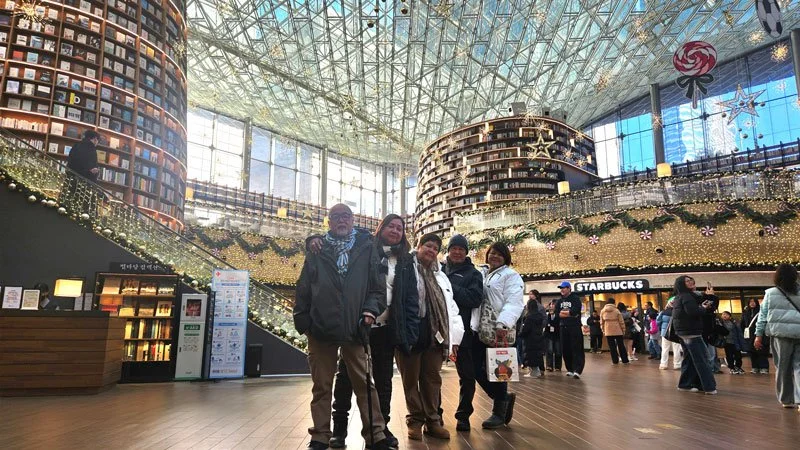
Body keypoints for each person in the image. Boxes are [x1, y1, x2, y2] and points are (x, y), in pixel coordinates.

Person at [294, 204, 390, 450]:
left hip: (355, 327)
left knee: (365, 383)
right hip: (320, 329)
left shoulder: (367, 247)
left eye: (345, 216)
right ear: (328, 222)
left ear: (353, 220)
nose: (341, 221)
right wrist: (303, 321)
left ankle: (376, 434)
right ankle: (320, 436)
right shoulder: (317, 249)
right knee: (322, 385)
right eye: (335, 217)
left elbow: (377, 288)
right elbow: (304, 286)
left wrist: (370, 311)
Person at [323, 214, 416, 449]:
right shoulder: (363, 247)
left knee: (383, 382)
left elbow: (409, 297)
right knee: (345, 379)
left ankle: (380, 429)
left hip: (386, 328)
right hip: (358, 326)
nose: (395, 231)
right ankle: (339, 429)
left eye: (400, 228)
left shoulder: (404, 260)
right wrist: (314, 238)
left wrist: (408, 330)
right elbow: (336, 238)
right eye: (391, 226)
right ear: (380, 228)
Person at [395, 233, 464, 441]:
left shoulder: (440, 275)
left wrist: (454, 338)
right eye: (428, 246)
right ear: (418, 246)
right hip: (409, 331)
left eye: (435, 248)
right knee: (410, 378)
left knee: (432, 378)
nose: (431, 250)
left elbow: (450, 308)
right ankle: (415, 420)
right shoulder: (405, 266)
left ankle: (433, 421)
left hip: (435, 334)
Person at [469, 242, 524, 429]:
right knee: (475, 368)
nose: (494, 256)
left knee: (500, 370)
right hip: (480, 328)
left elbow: (514, 302)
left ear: (506, 257)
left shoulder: (511, 275)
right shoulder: (484, 274)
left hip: (499, 329)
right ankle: (503, 398)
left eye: (499, 254)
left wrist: (504, 323)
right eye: (492, 253)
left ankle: (498, 413)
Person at [437, 234, 484, 432]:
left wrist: (448, 287)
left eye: (461, 249)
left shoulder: (473, 274)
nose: (457, 252)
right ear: (448, 250)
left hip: (463, 332)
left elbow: (474, 298)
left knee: (467, 376)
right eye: (454, 248)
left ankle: (463, 415)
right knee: (432, 375)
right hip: (437, 329)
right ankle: (434, 414)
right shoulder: (437, 269)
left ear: (466, 252)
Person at [755, 264, 800, 410]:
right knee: (799, 366)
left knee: (782, 367)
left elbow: (762, 316)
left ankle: (786, 399)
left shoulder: (770, 293)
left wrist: (758, 335)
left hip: (780, 335)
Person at [672, 275, 719, 395]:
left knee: (689, 360)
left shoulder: (680, 297)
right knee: (702, 360)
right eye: (687, 281)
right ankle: (709, 387)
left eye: (691, 280)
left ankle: (685, 384)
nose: (691, 282)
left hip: (683, 333)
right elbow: (693, 312)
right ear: (682, 284)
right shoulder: (687, 297)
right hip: (691, 333)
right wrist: (703, 307)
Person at [62, 130, 101, 213]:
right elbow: (92, 168)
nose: (97, 143)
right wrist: (94, 172)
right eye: (97, 140)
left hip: (71, 181)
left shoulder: (76, 146)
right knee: (85, 210)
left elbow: (70, 163)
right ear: (94, 139)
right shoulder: (91, 149)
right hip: (85, 185)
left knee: (68, 206)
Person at [554, 281, 584, 379]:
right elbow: (557, 314)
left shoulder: (575, 299)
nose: (562, 290)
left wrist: (566, 313)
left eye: (564, 288)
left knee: (577, 348)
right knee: (566, 349)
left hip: (574, 327)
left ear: (569, 288)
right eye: (561, 288)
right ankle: (570, 369)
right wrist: (568, 313)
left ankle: (578, 370)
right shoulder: (559, 301)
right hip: (563, 327)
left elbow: (575, 312)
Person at [519, 293, 546, 378]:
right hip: (538, 337)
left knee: (530, 355)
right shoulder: (539, 316)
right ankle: (537, 370)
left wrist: (521, 334)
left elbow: (526, 329)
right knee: (538, 354)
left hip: (530, 339)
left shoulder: (529, 317)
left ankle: (534, 372)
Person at [742, 298, 769, 374]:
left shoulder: (761, 311)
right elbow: (743, 324)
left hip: (761, 334)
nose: (752, 303)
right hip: (749, 336)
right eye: (750, 302)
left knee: (761, 351)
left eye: (754, 301)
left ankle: (764, 367)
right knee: (752, 352)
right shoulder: (745, 313)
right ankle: (755, 367)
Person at [600, 298, 628, 365]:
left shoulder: (603, 311)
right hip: (617, 330)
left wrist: (603, 330)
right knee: (621, 345)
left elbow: (601, 322)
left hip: (608, 330)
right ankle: (625, 360)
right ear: (614, 303)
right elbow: (621, 321)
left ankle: (615, 361)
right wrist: (623, 330)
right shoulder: (616, 310)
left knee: (612, 347)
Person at [657, 298, 683, 370]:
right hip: (675, 333)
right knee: (676, 349)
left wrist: (661, 329)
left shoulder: (663, 312)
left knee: (665, 349)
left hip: (664, 333)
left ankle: (663, 364)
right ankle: (677, 365)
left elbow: (658, 322)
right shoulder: (679, 311)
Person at [544, 301, 562, 372]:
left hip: (557, 335)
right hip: (549, 335)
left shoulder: (559, 314)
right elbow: (546, 324)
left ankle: (558, 366)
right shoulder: (547, 315)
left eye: (553, 304)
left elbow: (558, 324)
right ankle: (549, 366)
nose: (551, 306)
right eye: (550, 304)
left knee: (558, 351)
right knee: (549, 350)